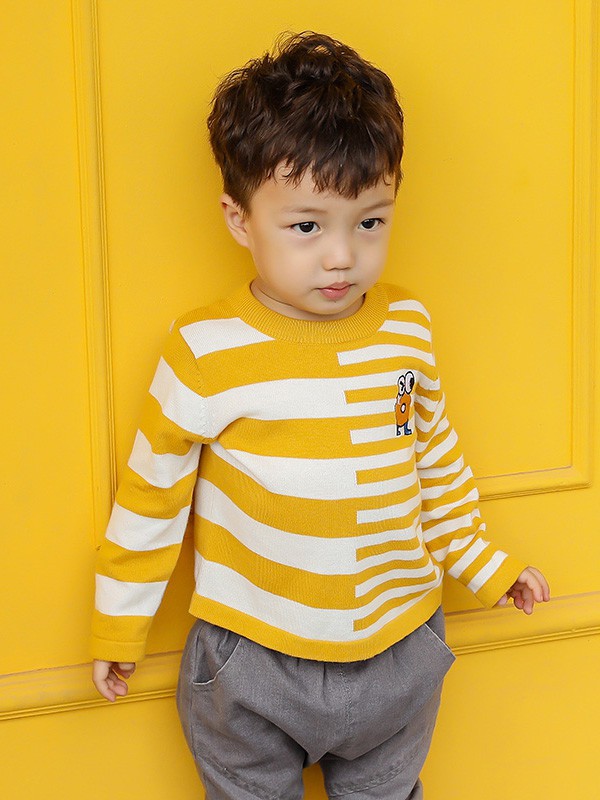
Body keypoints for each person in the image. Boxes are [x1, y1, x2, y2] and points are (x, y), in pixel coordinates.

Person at [91, 31, 550, 799]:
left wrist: (485, 564)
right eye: (307, 226)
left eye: (370, 222)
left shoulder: (406, 328)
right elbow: (151, 495)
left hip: (397, 648)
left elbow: (433, 457)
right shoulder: (205, 349)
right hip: (253, 658)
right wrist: (118, 621)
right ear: (239, 219)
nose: (342, 256)